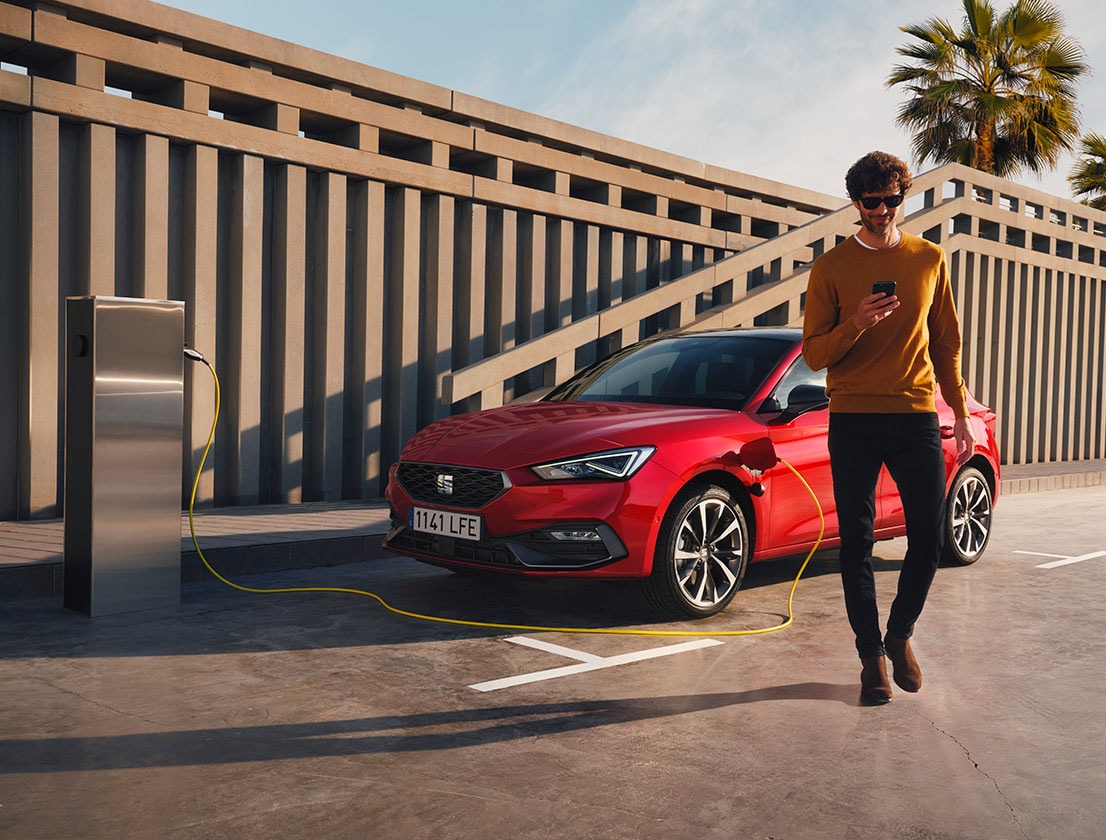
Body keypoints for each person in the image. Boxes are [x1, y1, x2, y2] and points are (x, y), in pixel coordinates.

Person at [802, 150, 975, 706]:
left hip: (916, 413)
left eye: (892, 199)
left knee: (927, 536)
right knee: (855, 543)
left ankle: (899, 636)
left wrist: (962, 415)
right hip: (853, 416)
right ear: (855, 203)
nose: (881, 210)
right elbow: (812, 354)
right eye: (870, 202)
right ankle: (870, 657)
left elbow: (946, 344)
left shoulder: (929, 259)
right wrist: (855, 324)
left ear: (904, 197)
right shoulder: (830, 268)